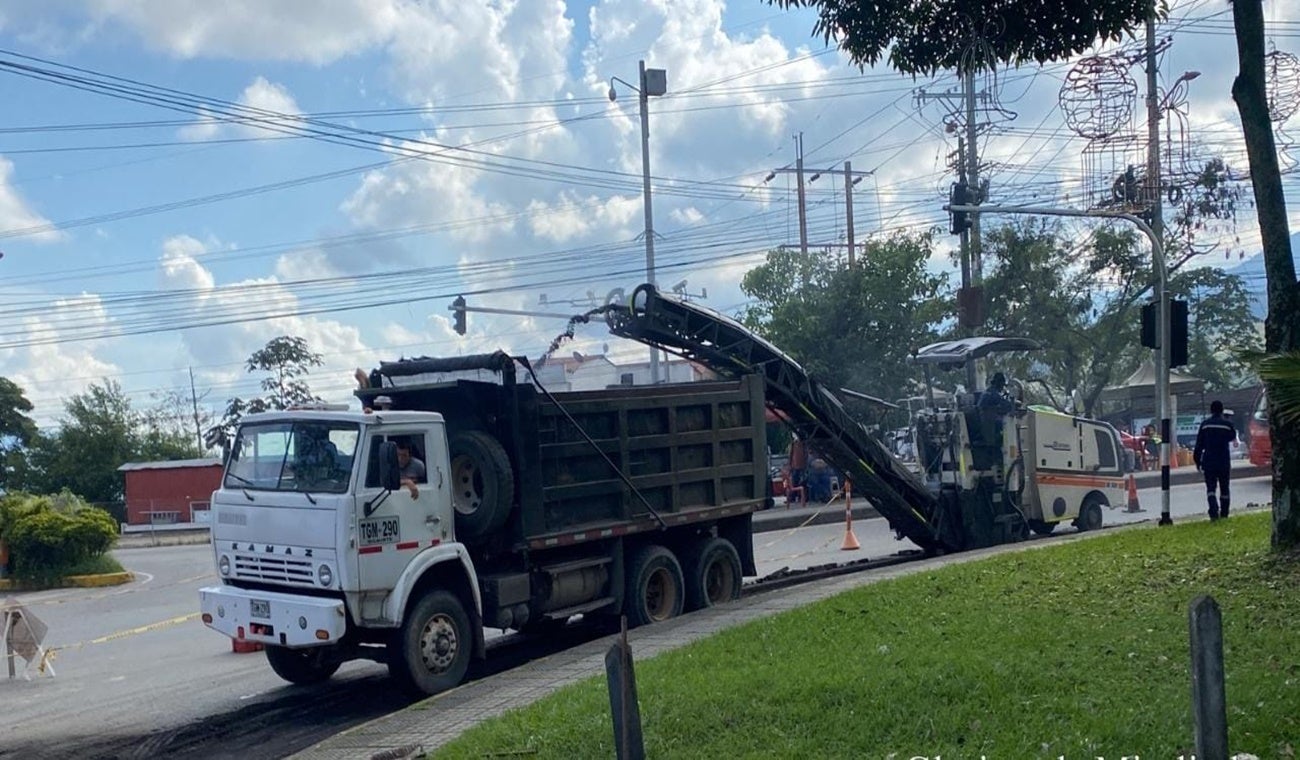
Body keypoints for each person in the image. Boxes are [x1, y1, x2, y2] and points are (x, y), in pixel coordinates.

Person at [1193, 400, 1238, 521]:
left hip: (1209, 460)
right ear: (1222, 410)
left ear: (1211, 410)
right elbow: (1232, 436)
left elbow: (1199, 445)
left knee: (1211, 488)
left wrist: (1197, 461)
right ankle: (1224, 513)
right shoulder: (1227, 424)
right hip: (1223, 460)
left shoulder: (1205, 425)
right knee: (1224, 487)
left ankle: (1213, 511)